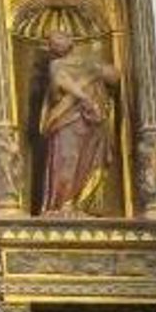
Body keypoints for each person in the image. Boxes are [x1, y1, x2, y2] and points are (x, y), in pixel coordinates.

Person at [37, 26, 122, 215]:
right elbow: (60, 85)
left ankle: (81, 203)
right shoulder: (56, 65)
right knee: (66, 160)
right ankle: (61, 204)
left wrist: (97, 69)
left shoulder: (90, 62)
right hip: (66, 120)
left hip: (93, 122)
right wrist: (85, 97)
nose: (56, 42)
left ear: (71, 40)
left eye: (59, 37)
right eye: (52, 41)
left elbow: (115, 78)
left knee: (89, 161)